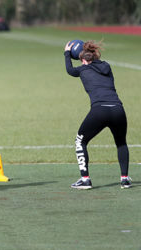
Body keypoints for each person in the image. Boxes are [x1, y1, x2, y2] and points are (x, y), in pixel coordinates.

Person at [64, 40, 131, 189]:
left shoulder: (82, 70)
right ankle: (125, 179)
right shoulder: (106, 66)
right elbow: (97, 63)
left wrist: (67, 53)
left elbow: (69, 70)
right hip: (118, 109)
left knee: (80, 141)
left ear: (83, 61)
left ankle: (85, 179)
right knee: (121, 143)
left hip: (99, 110)